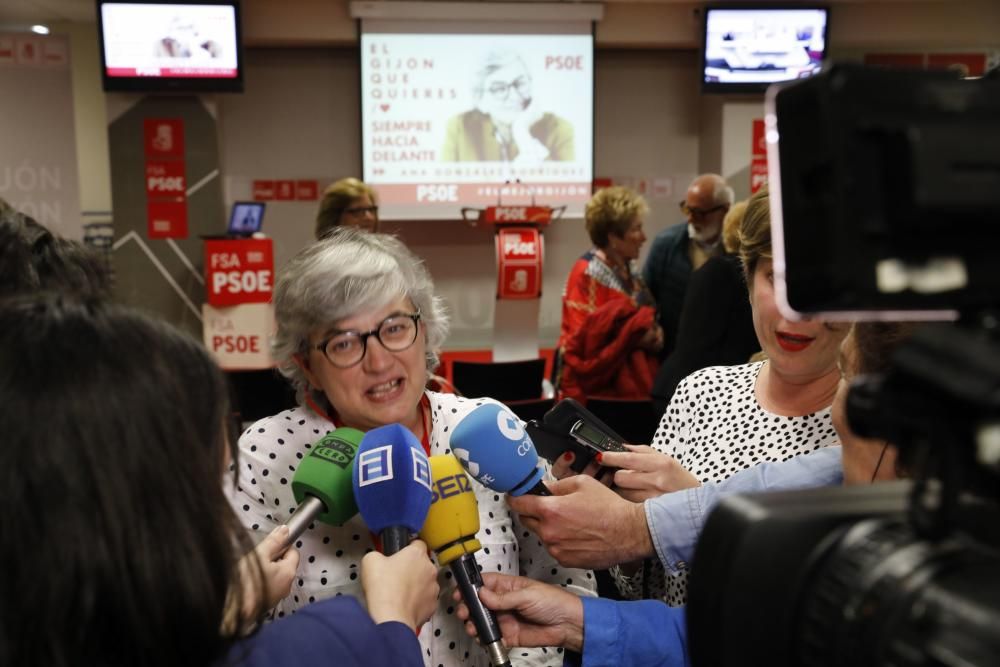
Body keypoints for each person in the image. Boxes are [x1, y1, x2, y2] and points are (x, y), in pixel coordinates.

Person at [0, 295, 439, 667]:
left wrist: (227, 608)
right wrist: (393, 625)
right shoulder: (327, 645)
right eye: (217, 479)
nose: (378, 360)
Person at [228, 227, 596, 667]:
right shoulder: (267, 454)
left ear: (425, 331)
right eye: (344, 342)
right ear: (307, 364)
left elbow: (562, 578)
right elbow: (228, 624)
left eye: (395, 328)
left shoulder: (484, 428)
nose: (379, 361)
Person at [458, 321, 911, 667]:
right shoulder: (700, 392)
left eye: (850, 377)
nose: (840, 413)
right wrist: (579, 618)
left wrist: (647, 523)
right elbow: (746, 635)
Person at [650, 199, 759, 414]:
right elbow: (697, 345)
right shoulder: (724, 271)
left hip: (697, 390)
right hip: (697, 396)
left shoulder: (722, 270)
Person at [557, 186, 662, 403]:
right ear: (613, 236)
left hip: (629, 387)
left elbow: (647, 317)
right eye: (636, 229)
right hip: (594, 396)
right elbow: (585, 346)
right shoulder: (586, 274)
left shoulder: (629, 268)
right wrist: (635, 336)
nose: (643, 237)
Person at [642, 174, 733, 360]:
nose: (691, 219)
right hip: (672, 356)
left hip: (722, 360)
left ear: (725, 210)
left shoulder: (737, 250)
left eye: (699, 213)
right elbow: (646, 297)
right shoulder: (666, 244)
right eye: (687, 209)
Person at [441, 51, 574, 163]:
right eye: (499, 89)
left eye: (520, 83)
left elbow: (565, 188)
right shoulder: (460, 127)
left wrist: (522, 132)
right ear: (480, 99)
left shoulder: (559, 129)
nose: (514, 96)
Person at [315, 177, 380, 238]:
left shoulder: (379, 249)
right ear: (334, 218)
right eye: (357, 211)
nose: (369, 217)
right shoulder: (327, 250)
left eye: (371, 209)